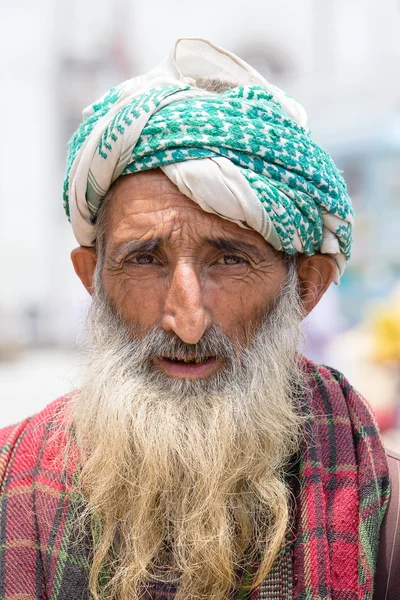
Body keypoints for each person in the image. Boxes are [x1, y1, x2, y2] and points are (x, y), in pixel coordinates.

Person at [0, 38, 394, 600]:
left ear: (306, 285)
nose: (186, 319)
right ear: (92, 277)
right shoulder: (11, 488)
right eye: (144, 259)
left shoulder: (385, 518)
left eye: (230, 259)